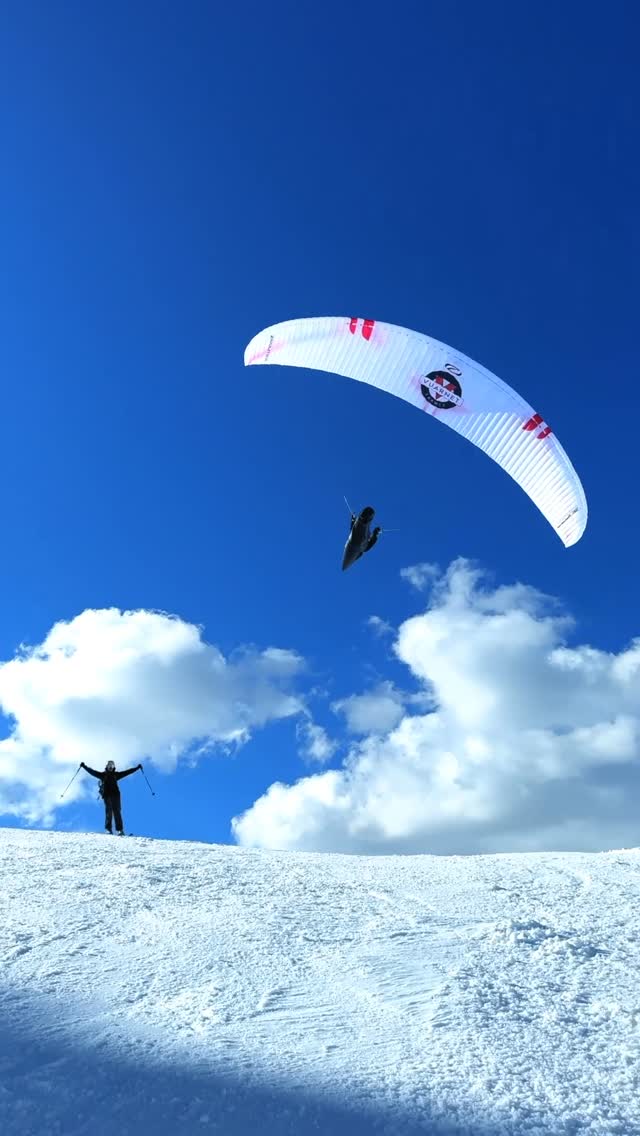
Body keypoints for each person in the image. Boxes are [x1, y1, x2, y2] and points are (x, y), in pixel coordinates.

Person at [80, 759, 142, 835]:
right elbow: (92, 772)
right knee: (109, 811)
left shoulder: (116, 775)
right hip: (107, 795)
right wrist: (84, 766)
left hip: (116, 795)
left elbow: (127, 772)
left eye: (112, 766)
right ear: (107, 766)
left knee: (117, 812)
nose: (110, 767)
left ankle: (120, 830)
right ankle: (108, 829)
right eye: (109, 765)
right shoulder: (102, 775)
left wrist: (137, 768)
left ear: (113, 767)